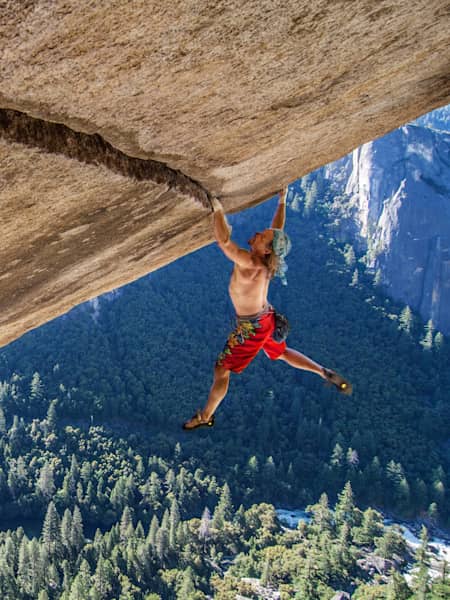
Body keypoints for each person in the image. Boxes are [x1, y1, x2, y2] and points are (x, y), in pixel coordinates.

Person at [182, 186, 352, 430]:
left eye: (262, 236)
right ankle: (321, 370)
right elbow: (277, 231)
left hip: (253, 328)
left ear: (266, 249)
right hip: (264, 319)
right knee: (280, 352)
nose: (259, 233)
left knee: (222, 369)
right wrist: (282, 201)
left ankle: (206, 416)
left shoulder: (252, 262)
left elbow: (224, 241)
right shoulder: (269, 262)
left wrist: (216, 207)